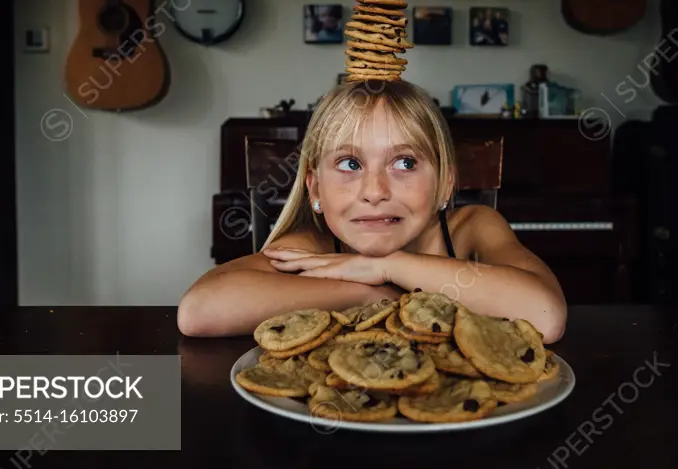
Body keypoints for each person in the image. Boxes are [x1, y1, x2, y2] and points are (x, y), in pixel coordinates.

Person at [177, 79, 567, 343]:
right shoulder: (314, 247)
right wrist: (369, 292)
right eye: (349, 164)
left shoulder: (474, 227)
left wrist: (390, 267)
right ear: (315, 189)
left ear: (446, 183)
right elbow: (198, 312)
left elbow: (545, 315)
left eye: (405, 164)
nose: (376, 192)